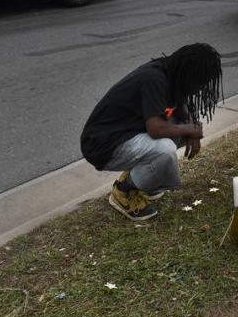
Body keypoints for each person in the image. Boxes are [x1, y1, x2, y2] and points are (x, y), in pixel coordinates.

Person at [80, 43, 222, 221]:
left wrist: (191, 127)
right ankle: (124, 190)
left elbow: (180, 105)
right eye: (200, 82)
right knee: (164, 148)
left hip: (127, 133)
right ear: (188, 73)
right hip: (102, 144)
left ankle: (141, 179)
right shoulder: (153, 79)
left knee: (177, 127)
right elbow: (156, 129)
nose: (200, 88)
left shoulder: (171, 74)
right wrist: (191, 129)